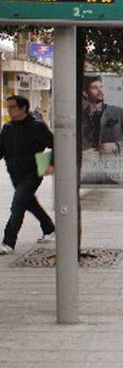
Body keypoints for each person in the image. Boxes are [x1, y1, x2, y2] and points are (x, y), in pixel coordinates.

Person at [0, 96, 55, 255]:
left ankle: (8, 242)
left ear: (23, 108)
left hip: (32, 173)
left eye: (12, 107)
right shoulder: (7, 128)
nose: (9, 110)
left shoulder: (37, 127)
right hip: (14, 173)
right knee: (29, 202)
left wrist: (49, 165)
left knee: (17, 205)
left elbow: (55, 144)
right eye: (8, 107)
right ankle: (49, 228)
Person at [82, 75, 123, 155]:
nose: (100, 91)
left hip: (112, 164)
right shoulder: (79, 117)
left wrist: (116, 146)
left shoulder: (118, 112)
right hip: (87, 165)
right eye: (95, 88)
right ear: (85, 93)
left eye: (101, 87)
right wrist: (81, 154)